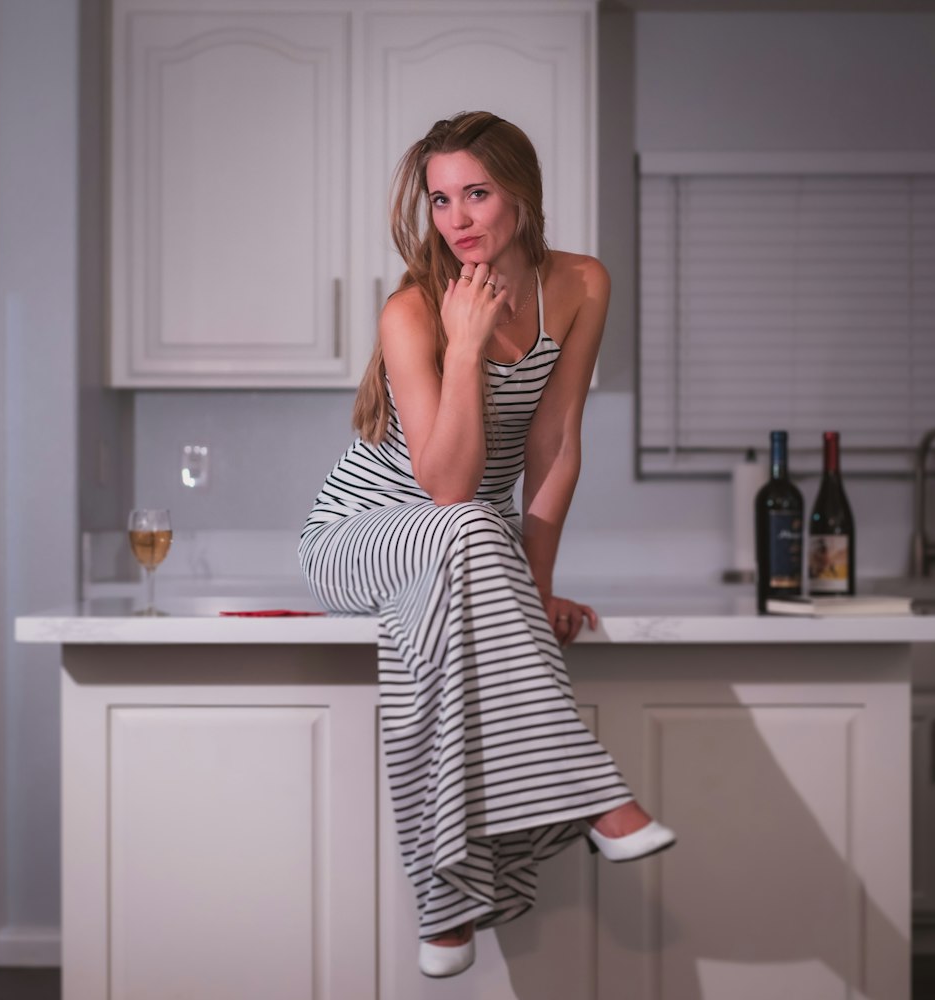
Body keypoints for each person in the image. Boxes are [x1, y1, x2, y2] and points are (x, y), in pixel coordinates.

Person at [298, 111, 675, 979]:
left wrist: (533, 592)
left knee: (467, 558)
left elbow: (554, 445)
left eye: (477, 192)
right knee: (470, 521)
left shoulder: (580, 284)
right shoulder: (414, 310)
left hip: (470, 549)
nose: (459, 218)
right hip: (360, 535)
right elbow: (446, 488)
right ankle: (598, 800)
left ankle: (449, 905)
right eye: (441, 199)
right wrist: (463, 350)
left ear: (522, 195)